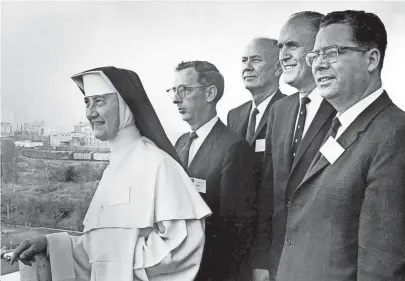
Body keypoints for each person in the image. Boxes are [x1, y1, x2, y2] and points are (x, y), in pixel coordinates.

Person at [10, 66, 211, 281]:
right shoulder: (113, 169)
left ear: (125, 105)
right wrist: (50, 244)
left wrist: (118, 262)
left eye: (99, 101)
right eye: (87, 102)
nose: (90, 112)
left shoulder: (158, 164)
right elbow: (95, 251)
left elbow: (183, 245)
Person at [276, 10, 405, 281]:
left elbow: (382, 266)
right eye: (315, 55)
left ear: (371, 59)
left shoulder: (394, 133)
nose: (318, 65)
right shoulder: (341, 125)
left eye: (332, 53)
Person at [250, 11, 337, 281]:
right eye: (280, 47)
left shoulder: (342, 109)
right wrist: (262, 258)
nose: (283, 55)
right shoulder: (280, 110)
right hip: (278, 263)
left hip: (324, 266)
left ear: (320, 49)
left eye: (292, 45)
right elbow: (269, 190)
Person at [168, 60, 257, 281]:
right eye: (173, 90)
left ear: (210, 94)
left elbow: (235, 230)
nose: (175, 98)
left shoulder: (233, 148)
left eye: (184, 90)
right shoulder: (180, 143)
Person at [227, 38, 285, 190]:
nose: (247, 67)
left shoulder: (290, 110)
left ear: (278, 68)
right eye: (244, 60)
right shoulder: (234, 115)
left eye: (256, 60)